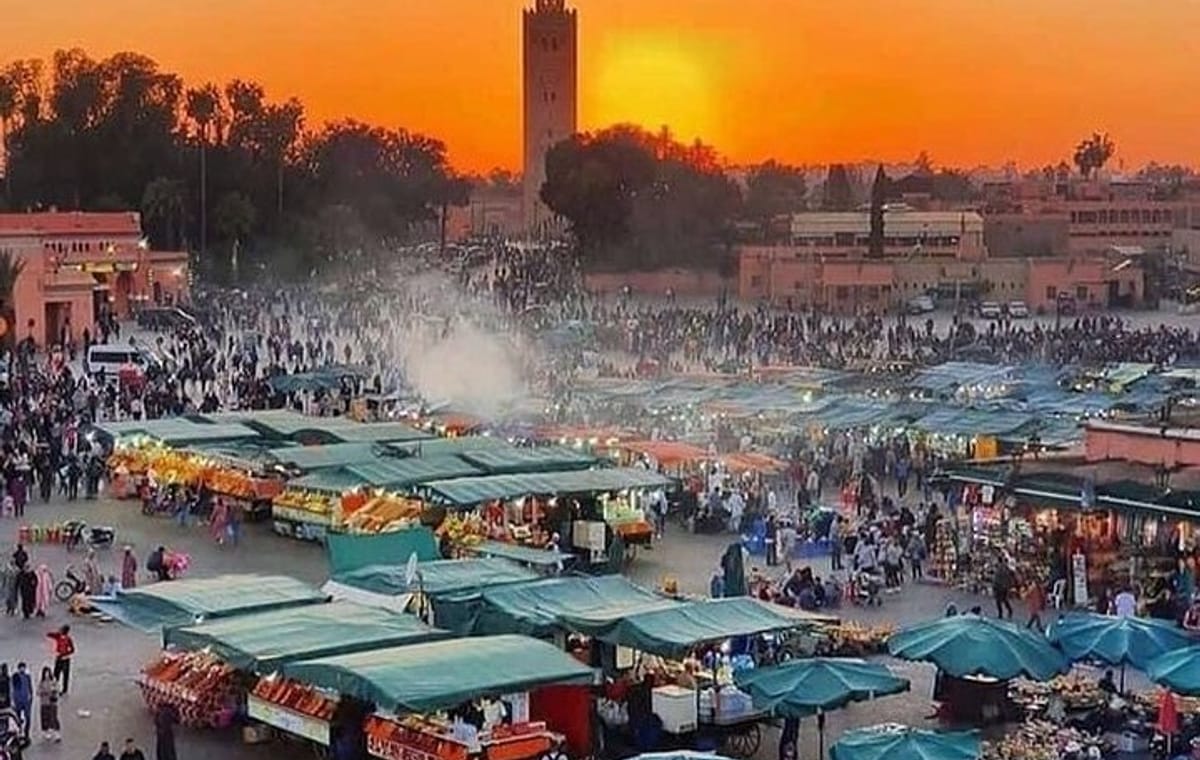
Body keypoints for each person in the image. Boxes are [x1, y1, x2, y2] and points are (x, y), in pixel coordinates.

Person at [47, 625, 75, 695]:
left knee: (65, 675)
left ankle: (64, 690)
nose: (60, 630)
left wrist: (65, 654)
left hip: (65, 659)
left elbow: (72, 650)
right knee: (56, 674)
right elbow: (49, 634)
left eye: (61, 630)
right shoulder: (58, 636)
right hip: (59, 657)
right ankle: (55, 688)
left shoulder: (68, 639)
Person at [37, 666, 59, 742]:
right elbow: (38, 692)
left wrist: (53, 691)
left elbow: (57, 689)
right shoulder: (41, 682)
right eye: (45, 673)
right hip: (44, 702)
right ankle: (47, 732)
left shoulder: (53, 681)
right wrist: (44, 692)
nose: (47, 675)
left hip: (52, 702)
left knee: (53, 717)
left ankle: (56, 733)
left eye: (48, 673)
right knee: (45, 717)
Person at [11, 663, 32, 740]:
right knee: (18, 718)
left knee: (28, 718)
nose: (22, 669)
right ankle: (19, 732)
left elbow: (30, 688)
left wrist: (30, 698)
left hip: (26, 700)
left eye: (23, 668)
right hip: (18, 700)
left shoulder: (27, 677)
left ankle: (26, 733)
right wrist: (13, 700)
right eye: (21, 668)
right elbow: (12, 689)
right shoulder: (15, 677)